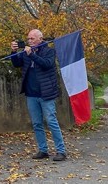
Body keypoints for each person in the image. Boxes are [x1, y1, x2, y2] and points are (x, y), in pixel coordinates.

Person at [10, 29, 67, 161]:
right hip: (31, 94)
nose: (29, 41)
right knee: (36, 123)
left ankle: (61, 151)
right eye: (28, 39)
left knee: (51, 121)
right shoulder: (26, 52)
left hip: (46, 93)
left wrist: (32, 55)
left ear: (40, 39)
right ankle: (43, 150)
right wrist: (13, 52)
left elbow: (47, 64)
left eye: (32, 39)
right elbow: (16, 63)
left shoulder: (49, 51)